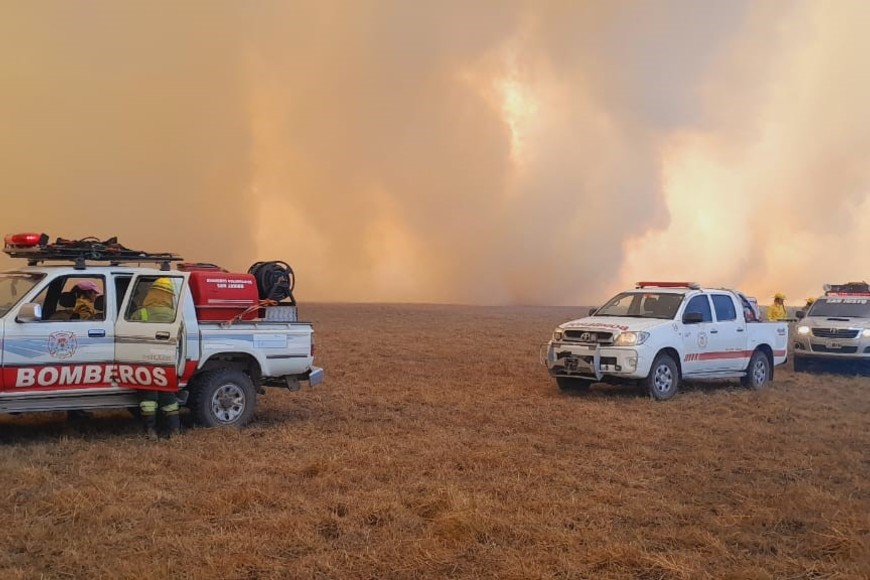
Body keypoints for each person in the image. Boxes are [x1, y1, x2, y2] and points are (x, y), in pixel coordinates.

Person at [131, 278, 181, 439]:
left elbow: (131, 337)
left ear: (152, 293)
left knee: (148, 398)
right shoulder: (174, 315)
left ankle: (150, 431)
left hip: (147, 362)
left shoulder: (141, 313)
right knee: (169, 397)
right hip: (167, 362)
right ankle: (174, 431)